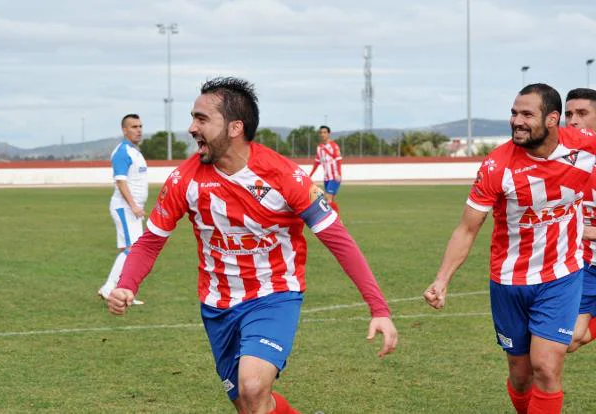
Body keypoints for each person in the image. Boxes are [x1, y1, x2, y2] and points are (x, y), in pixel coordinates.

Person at [106, 77, 398, 414]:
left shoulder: (283, 176)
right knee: (248, 403)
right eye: (193, 118)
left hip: (274, 295)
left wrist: (379, 308)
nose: (191, 128)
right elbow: (150, 241)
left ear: (234, 127)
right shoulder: (183, 180)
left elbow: (339, 240)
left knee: (254, 386)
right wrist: (127, 284)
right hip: (217, 305)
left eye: (202, 119)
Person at [424, 83, 596, 414]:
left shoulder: (584, 146)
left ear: (552, 119)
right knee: (520, 376)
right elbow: (467, 228)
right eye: (514, 113)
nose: (517, 121)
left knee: (546, 366)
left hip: (562, 274)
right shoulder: (497, 166)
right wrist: (442, 279)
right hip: (510, 280)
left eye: (527, 114)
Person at [98, 114, 147, 305]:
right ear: (124, 130)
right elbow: (120, 181)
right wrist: (133, 205)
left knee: (131, 250)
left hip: (132, 209)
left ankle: (122, 291)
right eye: (134, 126)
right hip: (125, 208)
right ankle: (110, 288)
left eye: (140, 126)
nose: (139, 130)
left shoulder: (135, 151)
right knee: (133, 250)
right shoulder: (122, 152)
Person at [564, 88, 596, 352]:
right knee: (571, 339)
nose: (573, 120)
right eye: (568, 114)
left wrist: (588, 231)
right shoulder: (562, 162)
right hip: (586, 263)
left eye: (582, 113)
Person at [308, 125, 342, 213]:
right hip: (326, 178)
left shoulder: (334, 146)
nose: (322, 134)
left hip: (334, 177)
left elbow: (338, 160)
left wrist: (339, 173)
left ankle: (331, 220)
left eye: (325, 132)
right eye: (321, 133)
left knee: (327, 197)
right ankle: (337, 220)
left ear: (329, 134)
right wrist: (310, 175)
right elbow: (317, 162)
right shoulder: (319, 147)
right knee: (330, 200)